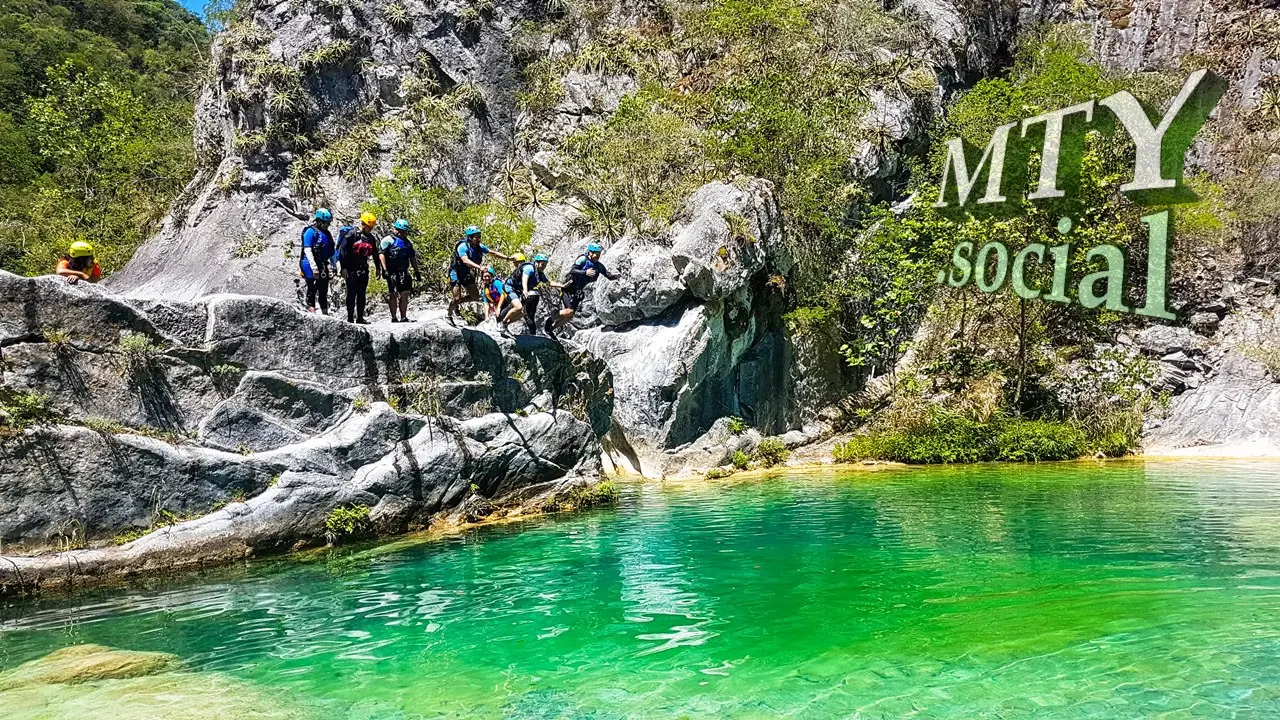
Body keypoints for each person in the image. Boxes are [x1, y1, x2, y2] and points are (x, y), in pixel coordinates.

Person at [545, 242, 618, 338]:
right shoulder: (582, 259)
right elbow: (572, 270)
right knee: (569, 311)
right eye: (595, 253)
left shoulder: (599, 266)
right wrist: (585, 272)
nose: (597, 256)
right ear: (590, 253)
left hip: (577, 292)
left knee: (569, 316)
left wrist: (618, 276)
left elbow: (608, 275)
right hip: (568, 288)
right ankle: (549, 321)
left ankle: (551, 329)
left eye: (599, 254)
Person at [447, 225, 513, 325]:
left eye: (479, 236)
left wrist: (508, 258)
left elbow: (493, 253)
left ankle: (457, 303)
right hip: (455, 272)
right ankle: (449, 314)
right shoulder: (463, 246)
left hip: (466, 273)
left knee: (475, 296)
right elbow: (465, 260)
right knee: (456, 298)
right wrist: (479, 267)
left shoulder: (479, 247)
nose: (478, 239)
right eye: (476, 237)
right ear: (469, 237)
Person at [336, 212, 378, 324]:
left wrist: (378, 268)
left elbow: (375, 253)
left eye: (371, 228)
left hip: (363, 269)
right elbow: (342, 251)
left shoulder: (371, 238)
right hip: (351, 269)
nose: (370, 229)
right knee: (351, 294)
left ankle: (360, 318)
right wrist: (343, 268)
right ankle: (350, 318)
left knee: (361, 294)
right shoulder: (351, 234)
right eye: (368, 227)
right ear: (363, 224)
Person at [378, 218, 422, 323]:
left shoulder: (407, 243)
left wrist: (416, 271)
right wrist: (384, 269)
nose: (403, 233)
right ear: (396, 229)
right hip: (392, 272)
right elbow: (381, 254)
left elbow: (412, 258)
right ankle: (394, 317)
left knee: (405, 294)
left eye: (404, 231)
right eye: (401, 231)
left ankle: (403, 317)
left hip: (404, 271)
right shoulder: (388, 240)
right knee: (393, 294)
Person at [516, 253, 563, 336]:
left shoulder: (540, 273)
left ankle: (533, 335)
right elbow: (525, 278)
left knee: (529, 316)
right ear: (536, 263)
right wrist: (525, 290)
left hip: (532, 295)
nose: (543, 267)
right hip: (525, 293)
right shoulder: (529, 268)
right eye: (542, 264)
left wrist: (562, 285)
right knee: (522, 312)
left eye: (545, 265)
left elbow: (549, 283)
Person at [300, 208, 336, 314]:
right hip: (309, 263)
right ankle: (312, 312)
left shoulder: (327, 234)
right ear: (319, 221)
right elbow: (307, 249)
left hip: (322, 263)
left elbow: (332, 252)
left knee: (323, 289)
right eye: (325, 223)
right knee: (312, 287)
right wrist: (314, 267)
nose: (327, 225)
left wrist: (333, 267)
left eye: (328, 223)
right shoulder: (310, 232)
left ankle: (325, 313)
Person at [479, 266, 516, 336]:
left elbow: (503, 294)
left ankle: (504, 327)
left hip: (507, 303)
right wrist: (486, 317)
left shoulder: (497, 283)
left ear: (492, 276)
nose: (487, 278)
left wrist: (498, 308)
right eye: (485, 277)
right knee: (498, 318)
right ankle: (503, 330)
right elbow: (486, 304)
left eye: (488, 276)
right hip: (498, 305)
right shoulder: (485, 289)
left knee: (501, 315)